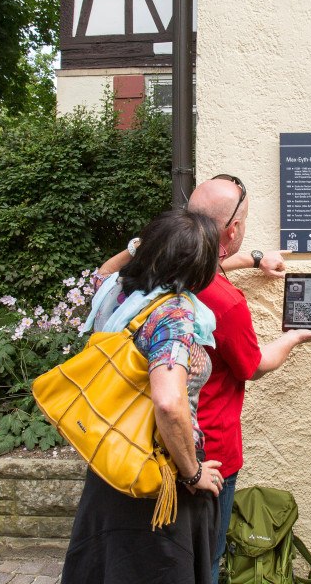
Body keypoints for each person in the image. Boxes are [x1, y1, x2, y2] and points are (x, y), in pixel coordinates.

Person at [61, 208, 225, 584]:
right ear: (198, 268)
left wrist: (139, 246)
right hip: (156, 472)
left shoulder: (119, 294)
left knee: (109, 566)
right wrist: (192, 472)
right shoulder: (174, 316)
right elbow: (168, 401)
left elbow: (101, 271)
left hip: (111, 458)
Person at [186, 174, 311, 584]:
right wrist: (293, 337)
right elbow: (255, 366)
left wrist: (254, 258)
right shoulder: (226, 302)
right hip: (210, 449)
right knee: (207, 559)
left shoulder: (172, 269)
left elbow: (209, 262)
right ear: (233, 230)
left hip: (166, 442)